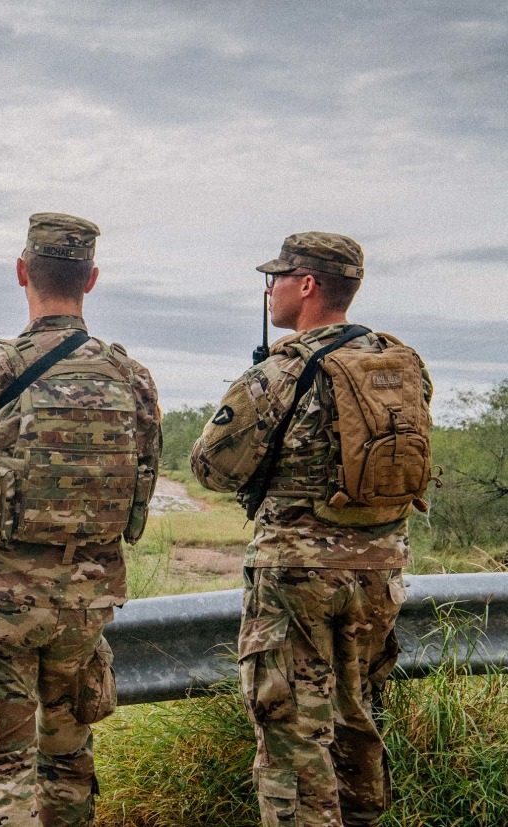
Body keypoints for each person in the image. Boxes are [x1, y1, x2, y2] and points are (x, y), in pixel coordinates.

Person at [0, 212, 161, 826]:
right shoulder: (133, 378)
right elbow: (142, 478)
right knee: (67, 763)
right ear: (90, 279)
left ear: (23, 272)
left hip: (0, 609)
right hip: (85, 607)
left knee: (1, 770)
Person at [190, 232, 433, 827]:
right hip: (380, 572)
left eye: (277, 277)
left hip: (298, 578)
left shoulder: (281, 372)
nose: (269, 288)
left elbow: (211, 468)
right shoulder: (402, 364)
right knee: (357, 722)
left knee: (293, 736)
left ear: (307, 286)